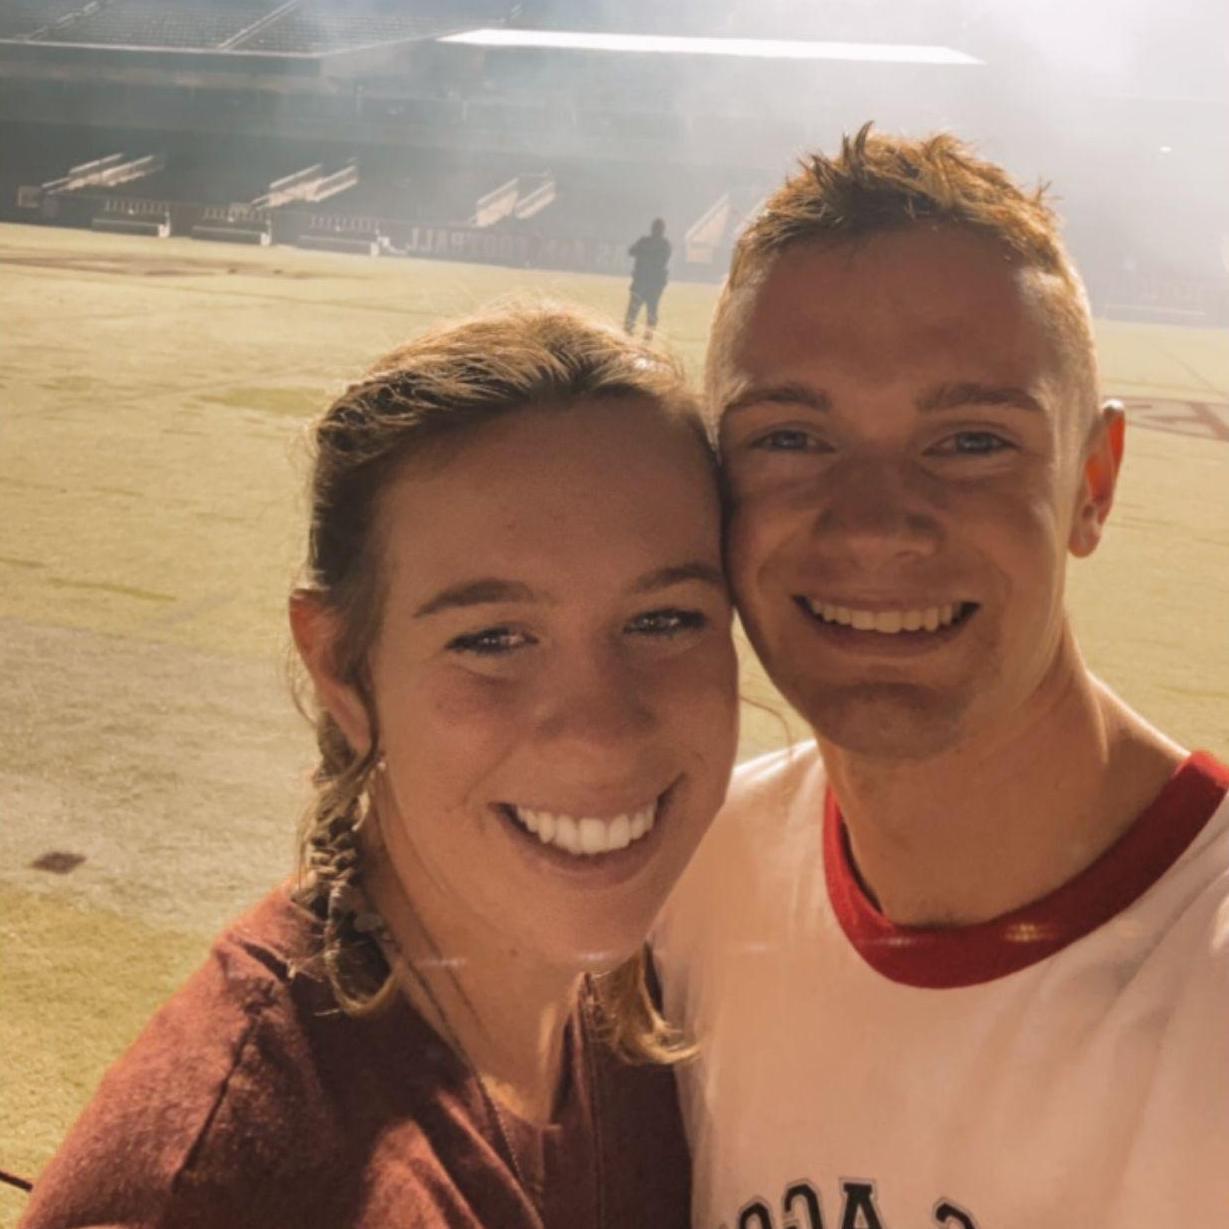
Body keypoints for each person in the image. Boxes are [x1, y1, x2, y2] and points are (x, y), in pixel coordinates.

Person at [19, 307, 740, 1228]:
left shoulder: (647, 991)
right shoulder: (217, 1192)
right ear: (341, 668)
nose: (599, 733)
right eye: (492, 639)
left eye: (665, 618)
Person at [655, 125, 1229, 1228]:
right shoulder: (690, 875)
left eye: (970, 441)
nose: (873, 525)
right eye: (789, 437)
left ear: (1091, 485)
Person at [624, 218, 671, 341]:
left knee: (636, 309)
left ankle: (629, 331)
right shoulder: (664, 244)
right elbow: (631, 251)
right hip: (653, 283)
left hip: (644, 280)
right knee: (650, 310)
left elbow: (632, 251)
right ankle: (646, 333)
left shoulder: (646, 242)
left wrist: (644, 251)